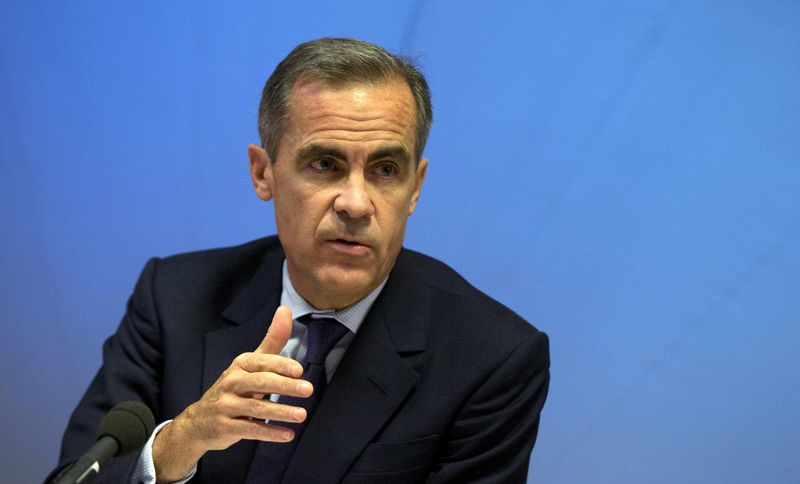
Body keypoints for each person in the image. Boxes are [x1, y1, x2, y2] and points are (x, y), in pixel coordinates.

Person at [49, 37, 550, 483]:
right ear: (263, 173)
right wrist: (180, 442)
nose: (355, 203)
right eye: (325, 164)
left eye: (385, 169)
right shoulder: (175, 297)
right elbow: (78, 474)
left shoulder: (491, 358)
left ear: (415, 187)